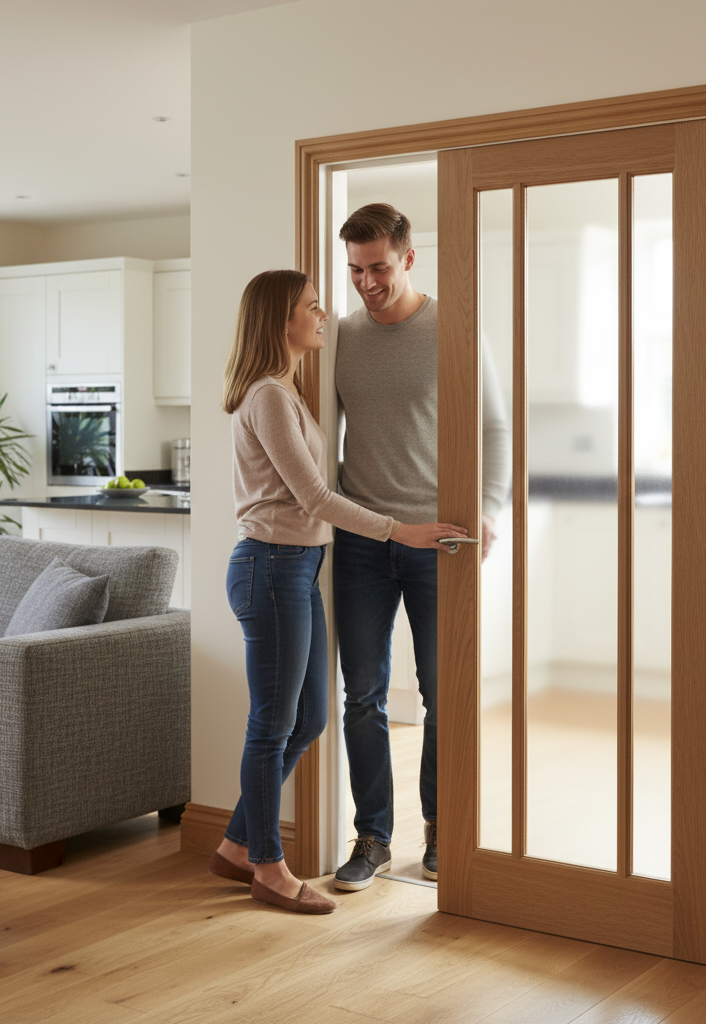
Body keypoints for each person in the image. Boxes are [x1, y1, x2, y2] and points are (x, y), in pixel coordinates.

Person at [210, 269, 469, 915]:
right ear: (282, 321)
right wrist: (398, 531)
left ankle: (239, 843)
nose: (324, 315)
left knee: (309, 718)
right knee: (271, 726)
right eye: (311, 307)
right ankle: (267, 866)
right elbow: (315, 497)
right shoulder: (269, 396)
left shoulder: (287, 392)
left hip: (295, 569)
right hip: (270, 569)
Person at [333, 204, 511, 890]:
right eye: (354, 270)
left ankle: (442, 831)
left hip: (440, 542)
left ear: (409, 258)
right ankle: (372, 837)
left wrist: (488, 509)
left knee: (442, 692)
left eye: (378, 267)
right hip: (361, 544)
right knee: (363, 696)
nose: (367, 282)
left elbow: (494, 428)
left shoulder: (454, 330)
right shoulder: (343, 337)